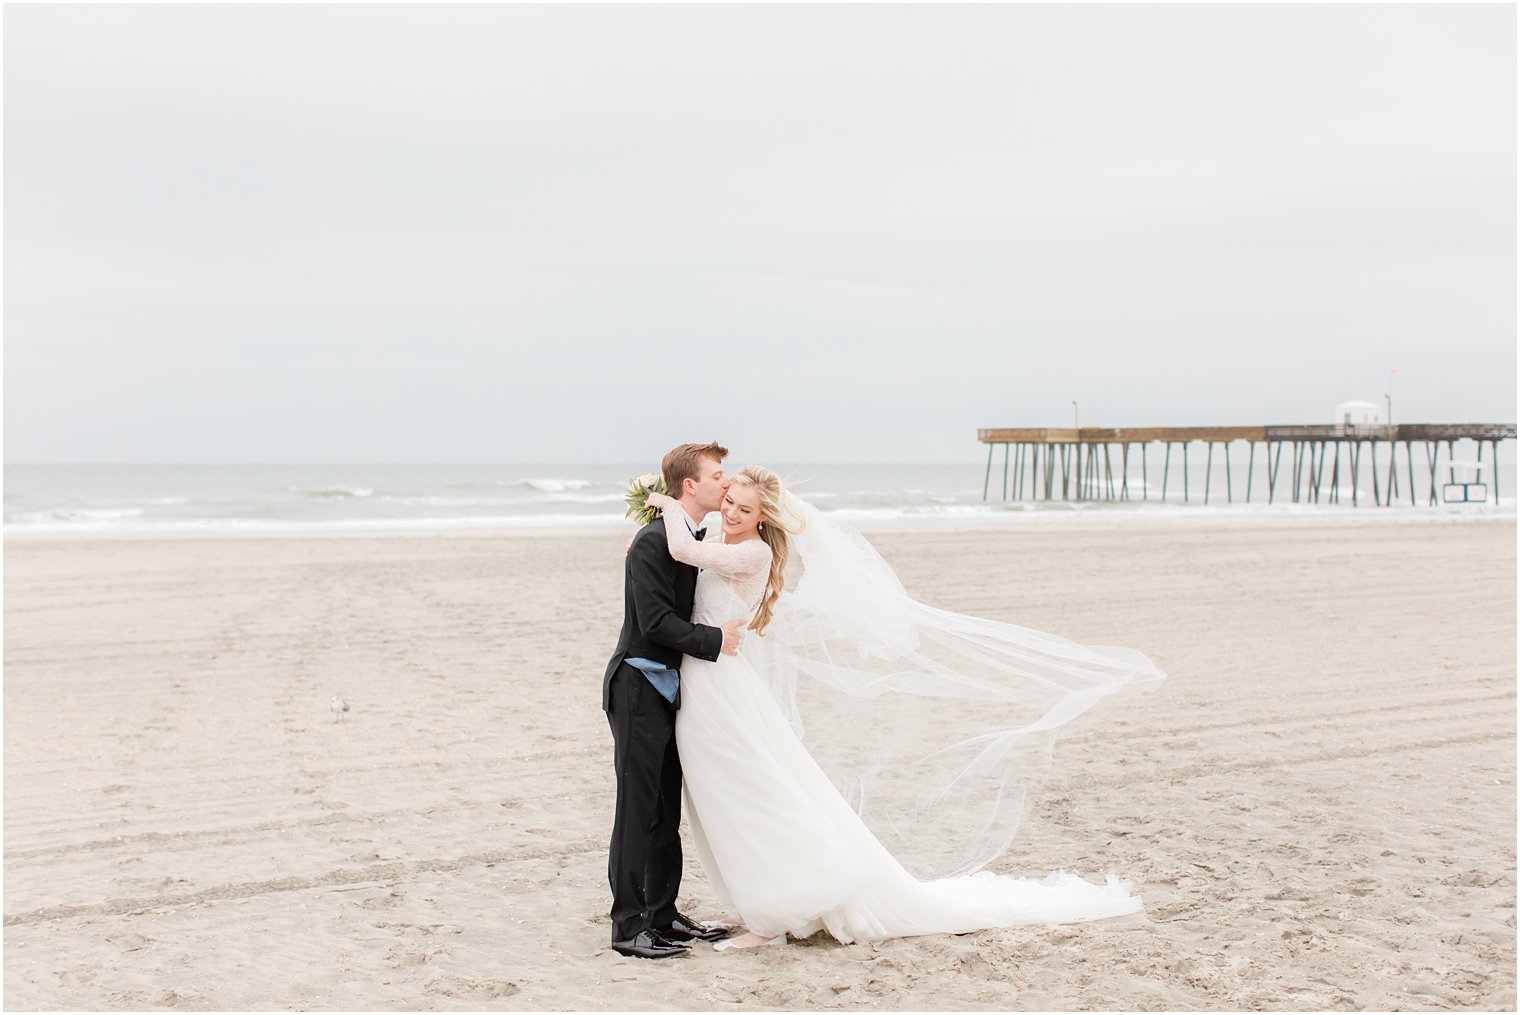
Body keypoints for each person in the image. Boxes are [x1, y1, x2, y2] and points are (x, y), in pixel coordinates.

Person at [643, 465, 1164, 950]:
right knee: (718, 793)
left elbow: (685, 552)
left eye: (745, 509)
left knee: (748, 789)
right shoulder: (717, 533)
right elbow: (687, 556)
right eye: (728, 501)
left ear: (764, 518)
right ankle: (749, 896)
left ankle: (775, 909)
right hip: (708, 676)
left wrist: (662, 503)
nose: (731, 512)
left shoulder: (753, 553)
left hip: (722, 682)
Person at [602, 442, 745, 959]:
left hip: (671, 689)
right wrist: (715, 640)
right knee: (637, 811)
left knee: (666, 811)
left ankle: (662, 915)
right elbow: (655, 623)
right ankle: (627, 926)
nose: (726, 484)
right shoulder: (649, 542)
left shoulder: (687, 537)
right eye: (718, 475)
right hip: (637, 687)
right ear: (690, 485)